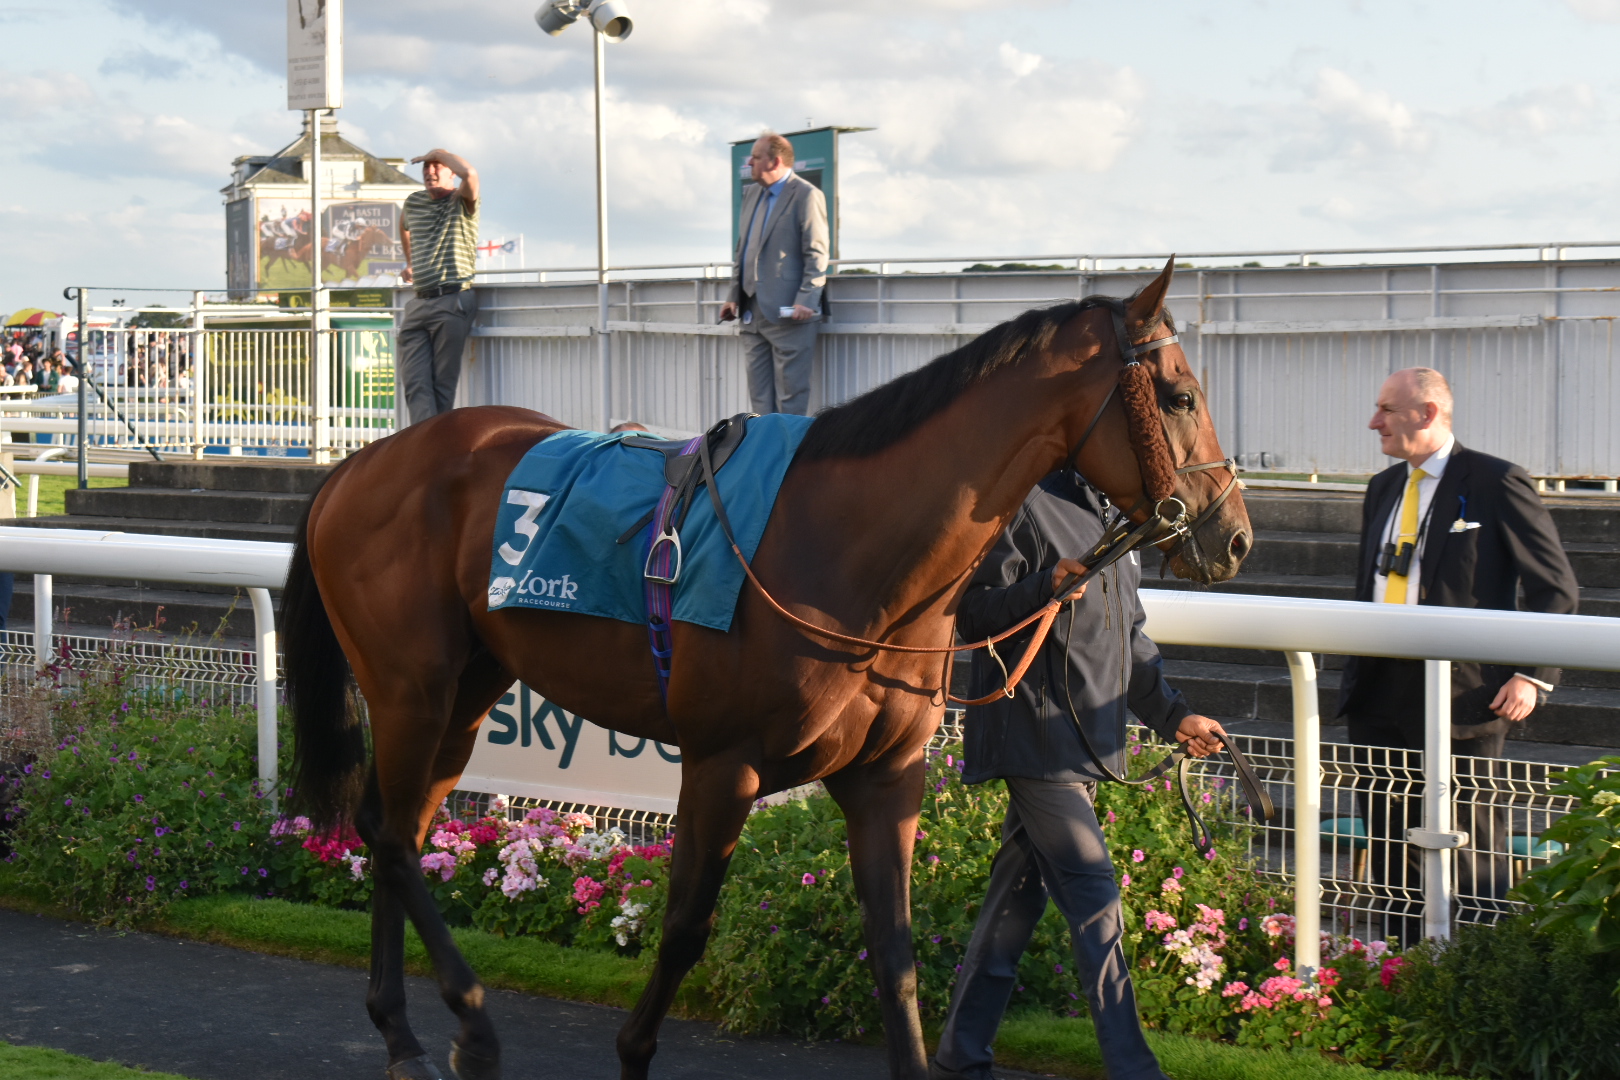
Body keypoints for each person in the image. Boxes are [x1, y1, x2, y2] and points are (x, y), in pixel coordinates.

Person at [930, 469, 1228, 1080]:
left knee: (1014, 904)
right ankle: (1133, 1068)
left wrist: (1176, 716)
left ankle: (960, 1056)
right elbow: (972, 614)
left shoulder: (1120, 514)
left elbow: (1130, 640)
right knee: (1097, 901)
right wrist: (1043, 588)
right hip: (1033, 740)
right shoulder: (1022, 498)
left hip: (1085, 747)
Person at [1337, 367, 1579, 945]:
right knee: (1389, 837)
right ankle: (1399, 962)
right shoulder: (1383, 487)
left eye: (1386, 409)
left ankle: (1477, 964)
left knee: (1471, 841)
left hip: (1464, 694)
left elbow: (1555, 588)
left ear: (1426, 413)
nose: (1374, 422)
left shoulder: (1496, 481)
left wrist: (1531, 676)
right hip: (1378, 688)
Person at [718, 132, 828, 416]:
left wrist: (807, 299)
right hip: (751, 312)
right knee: (759, 399)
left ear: (775, 161)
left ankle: (788, 445)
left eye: (755, 158)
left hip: (790, 314)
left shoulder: (807, 195)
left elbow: (816, 253)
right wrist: (733, 296)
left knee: (792, 397)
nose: (749, 163)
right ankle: (764, 443)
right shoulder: (752, 194)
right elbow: (743, 249)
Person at [398, 147, 480, 425]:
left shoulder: (462, 200)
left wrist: (437, 152)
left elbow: (470, 173)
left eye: (437, 166)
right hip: (419, 300)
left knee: (442, 385)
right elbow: (404, 227)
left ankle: (432, 440)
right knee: (414, 382)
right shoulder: (414, 202)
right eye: (426, 167)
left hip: (452, 298)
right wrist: (410, 262)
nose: (430, 171)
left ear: (451, 173)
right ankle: (426, 437)